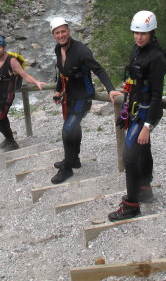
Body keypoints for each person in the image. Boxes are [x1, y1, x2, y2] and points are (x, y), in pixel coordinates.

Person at [108, 10, 166, 221]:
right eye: (136, 33)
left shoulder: (157, 57)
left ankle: (131, 205)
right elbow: (134, 80)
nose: (138, 37)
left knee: (130, 157)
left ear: (152, 33)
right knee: (142, 151)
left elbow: (156, 95)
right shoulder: (137, 50)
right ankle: (144, 190)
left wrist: (147, 126)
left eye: (143, 34)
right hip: (135, 108)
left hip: (146, 113)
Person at [50, 17, 122, 184]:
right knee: (73, 128)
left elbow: (99, 70)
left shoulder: (81, 51)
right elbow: (62, 73)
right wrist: (57, 90)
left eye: (63, 31)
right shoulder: (57, 49)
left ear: (69, 31)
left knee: (67, 130)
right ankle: (74, 159)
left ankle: (66, 168)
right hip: (69, 96)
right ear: (53, 35)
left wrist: (110, 89)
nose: (61, 35)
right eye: (57, 32)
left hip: (82, 97)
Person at [0, 36, 46, 151]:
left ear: (4, 48)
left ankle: (12, 142)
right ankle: (8, 138)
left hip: (7, 95)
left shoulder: (11, 61)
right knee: (3, 119)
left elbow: (25, 75)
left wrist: (36, 82)